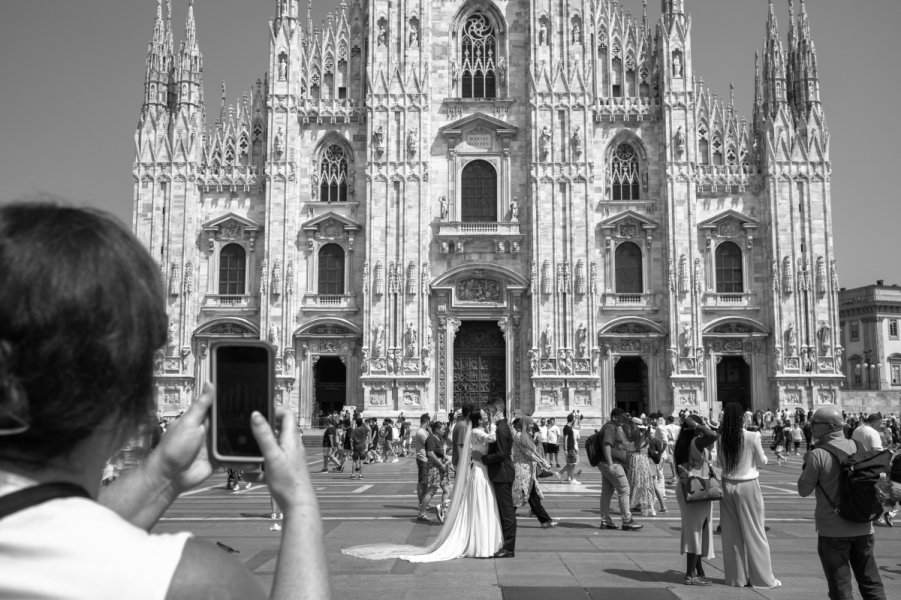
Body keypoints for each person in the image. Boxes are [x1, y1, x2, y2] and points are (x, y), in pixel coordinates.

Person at [0, 203, 329, 600]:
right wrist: (299, 503)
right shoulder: (187, 580)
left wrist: (164, 475)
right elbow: (71, 544)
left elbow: (54, 537)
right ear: (127, 398)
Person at [342, 409, 504, 561]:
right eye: (483, 415)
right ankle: (431, 509)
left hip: (478, 467)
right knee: (439, 490)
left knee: (461, 495)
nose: (486, 416)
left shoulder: (471, 431)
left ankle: (445, 510)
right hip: (473, 468)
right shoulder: (475, 432)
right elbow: (491, 438)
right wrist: (496, 424)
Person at [798, 406, 887, 599]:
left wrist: (807, 465)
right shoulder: (859, 447)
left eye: (815, 423)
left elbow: (803, 490)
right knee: (871, 583)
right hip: (864, 526)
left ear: (829, 427)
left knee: (841, 587)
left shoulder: (817, 455)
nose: (810, 426)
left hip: (833, 531)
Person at [717, 403, 780, 588]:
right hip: (747, 485)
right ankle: (763, 579)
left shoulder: (721, 438)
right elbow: (762, 461)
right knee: (755, 532)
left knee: (731, 534)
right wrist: (764, 458)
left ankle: (736, 579)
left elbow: (720, 462)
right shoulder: (752, 436)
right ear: (742, 418)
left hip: (727, 485)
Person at [674, 414, 719, 586]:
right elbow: (713, 436)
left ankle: (698, 570)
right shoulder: (695, 442)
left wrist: (700, 425)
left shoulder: (684, 443)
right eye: (702, 425)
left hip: (691, 487)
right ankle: (690, 575)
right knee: (695, 531)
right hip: (697, 489)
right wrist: (698, 426)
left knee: (697, 529)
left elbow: (714, 436)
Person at [598, 408, 643, 531]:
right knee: (624, 489)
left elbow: (617, 445)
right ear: (614, 417)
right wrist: (611, 464)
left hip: (607, 463)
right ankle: (627, 520)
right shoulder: (610, 427)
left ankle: (605, 520)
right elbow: (606, 444)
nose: (622, 420)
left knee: (607, 492)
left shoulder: (615, 427)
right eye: (620, 417)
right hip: (612, 464)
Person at [511, 416, 557, 528]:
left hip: (528, 471)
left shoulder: (525, 436)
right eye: (530, 423)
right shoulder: (519, 436)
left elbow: (532, 451)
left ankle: (545, 520)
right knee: (518, 497)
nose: (532, 425)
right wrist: (544, 463)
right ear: (524, 424)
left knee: (532, 497)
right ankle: (503, 519)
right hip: (522, 471)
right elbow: (529, 453)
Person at [420, 421, 451, 522]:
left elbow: (441, 451)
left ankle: (444, 512)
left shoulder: (440, 438)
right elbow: (430, 453)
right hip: (435, 466)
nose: (444, 430)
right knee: (432, 490)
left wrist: (445, 457)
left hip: (442, 465)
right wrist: (440, 464)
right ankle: (422, 513)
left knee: (446, 489)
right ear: (437, 430)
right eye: (442, 429)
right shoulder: (431, 439)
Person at [413, 413, 432, 521]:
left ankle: (424, 501)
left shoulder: (424, 431)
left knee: (425, 482)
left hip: (425, 459)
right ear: (427, 421)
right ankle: (421, 503)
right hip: (422, 459)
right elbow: (430, 442)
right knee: (422, 482)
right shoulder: (421, 432)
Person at [558, 413, 581, 484]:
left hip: (572, 447)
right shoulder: (566, 427)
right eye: (574, 419)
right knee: (572, 464)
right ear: (572, 419)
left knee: (571, 464)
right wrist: (565, 449)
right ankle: (572, 479)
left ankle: (568, 477)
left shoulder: (569, 427)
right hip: (570, 448)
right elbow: (565, 439)